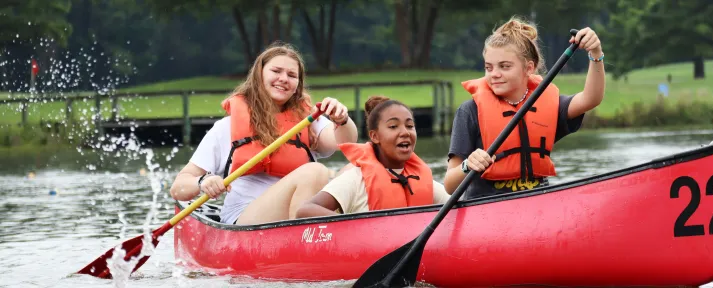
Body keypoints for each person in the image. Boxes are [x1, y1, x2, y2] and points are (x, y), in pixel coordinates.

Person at [169, 42, 359, 225]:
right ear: (259, 75)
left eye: (292, 75)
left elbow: (346, 143)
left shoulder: (308, 121)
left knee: (358, 169)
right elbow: (178, 188)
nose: (284, 78)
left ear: (297, 85)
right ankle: (307, 242)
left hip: (301, 214)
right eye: (276, 71)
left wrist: (341, 119)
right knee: (315, 171)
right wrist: (203, 182)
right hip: (245, 217)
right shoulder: (225, 128)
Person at [444, 16, 605, 200]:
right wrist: (467, 165)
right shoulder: (469, 111)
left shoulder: (547, 104)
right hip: (487, 211)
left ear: (529, 68)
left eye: (504, 66)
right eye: (489, 68)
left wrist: (595, 53)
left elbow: (591, 98)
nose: (495, 74)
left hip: (538, 207)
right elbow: (449, 185)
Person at [295, 96, 450, 218]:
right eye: (393, 127)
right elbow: (305, 210)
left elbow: (457, 206)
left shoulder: (422, 179)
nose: (405, 132)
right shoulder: (355, 179)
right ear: (374, 136)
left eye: (410, 126)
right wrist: (354, 225)